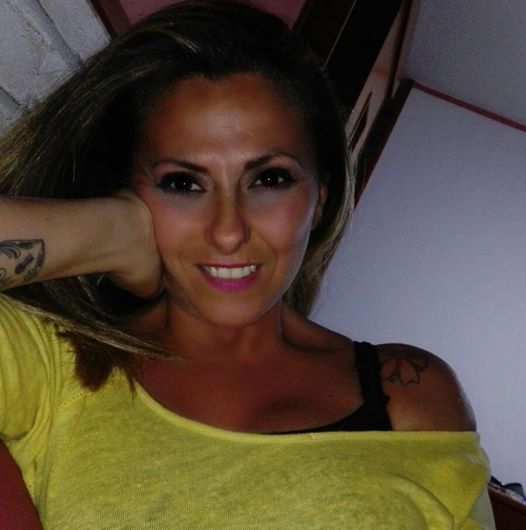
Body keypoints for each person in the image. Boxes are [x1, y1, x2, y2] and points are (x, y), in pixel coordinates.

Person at [0, 1, 495, 528]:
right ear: (132, 194)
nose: (229, 231)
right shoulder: (52, 364)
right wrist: (109, 234)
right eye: (182, 183)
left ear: (320, 199)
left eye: (269, 179)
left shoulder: (409, 393)